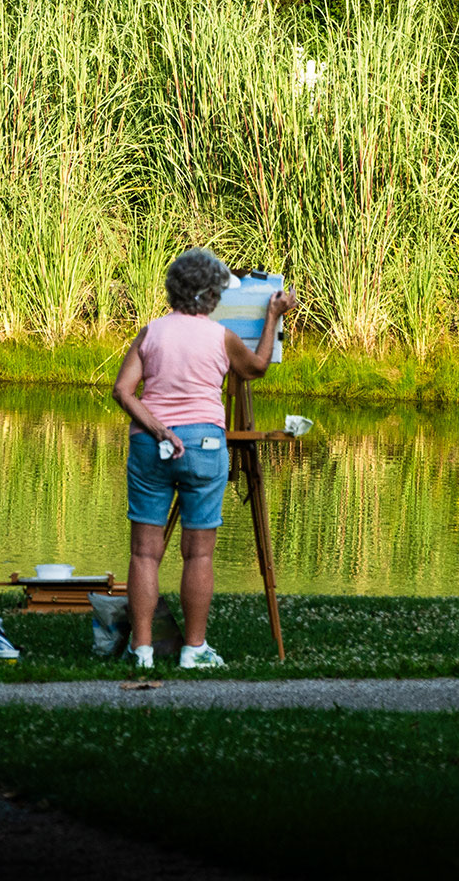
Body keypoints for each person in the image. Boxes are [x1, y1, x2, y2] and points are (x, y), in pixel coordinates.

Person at [110, 247, 296, 669]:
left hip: (150, 445)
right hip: (205, 445)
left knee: (144, 553)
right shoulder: (221, 337)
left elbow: (123, 391)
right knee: (199, 554)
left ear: (174, 289)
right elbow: (257, 367)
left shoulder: (150, 332)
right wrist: (273, 316)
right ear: (212, 295)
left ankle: (142, 651)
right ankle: (194, 651)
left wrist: (159, 428)